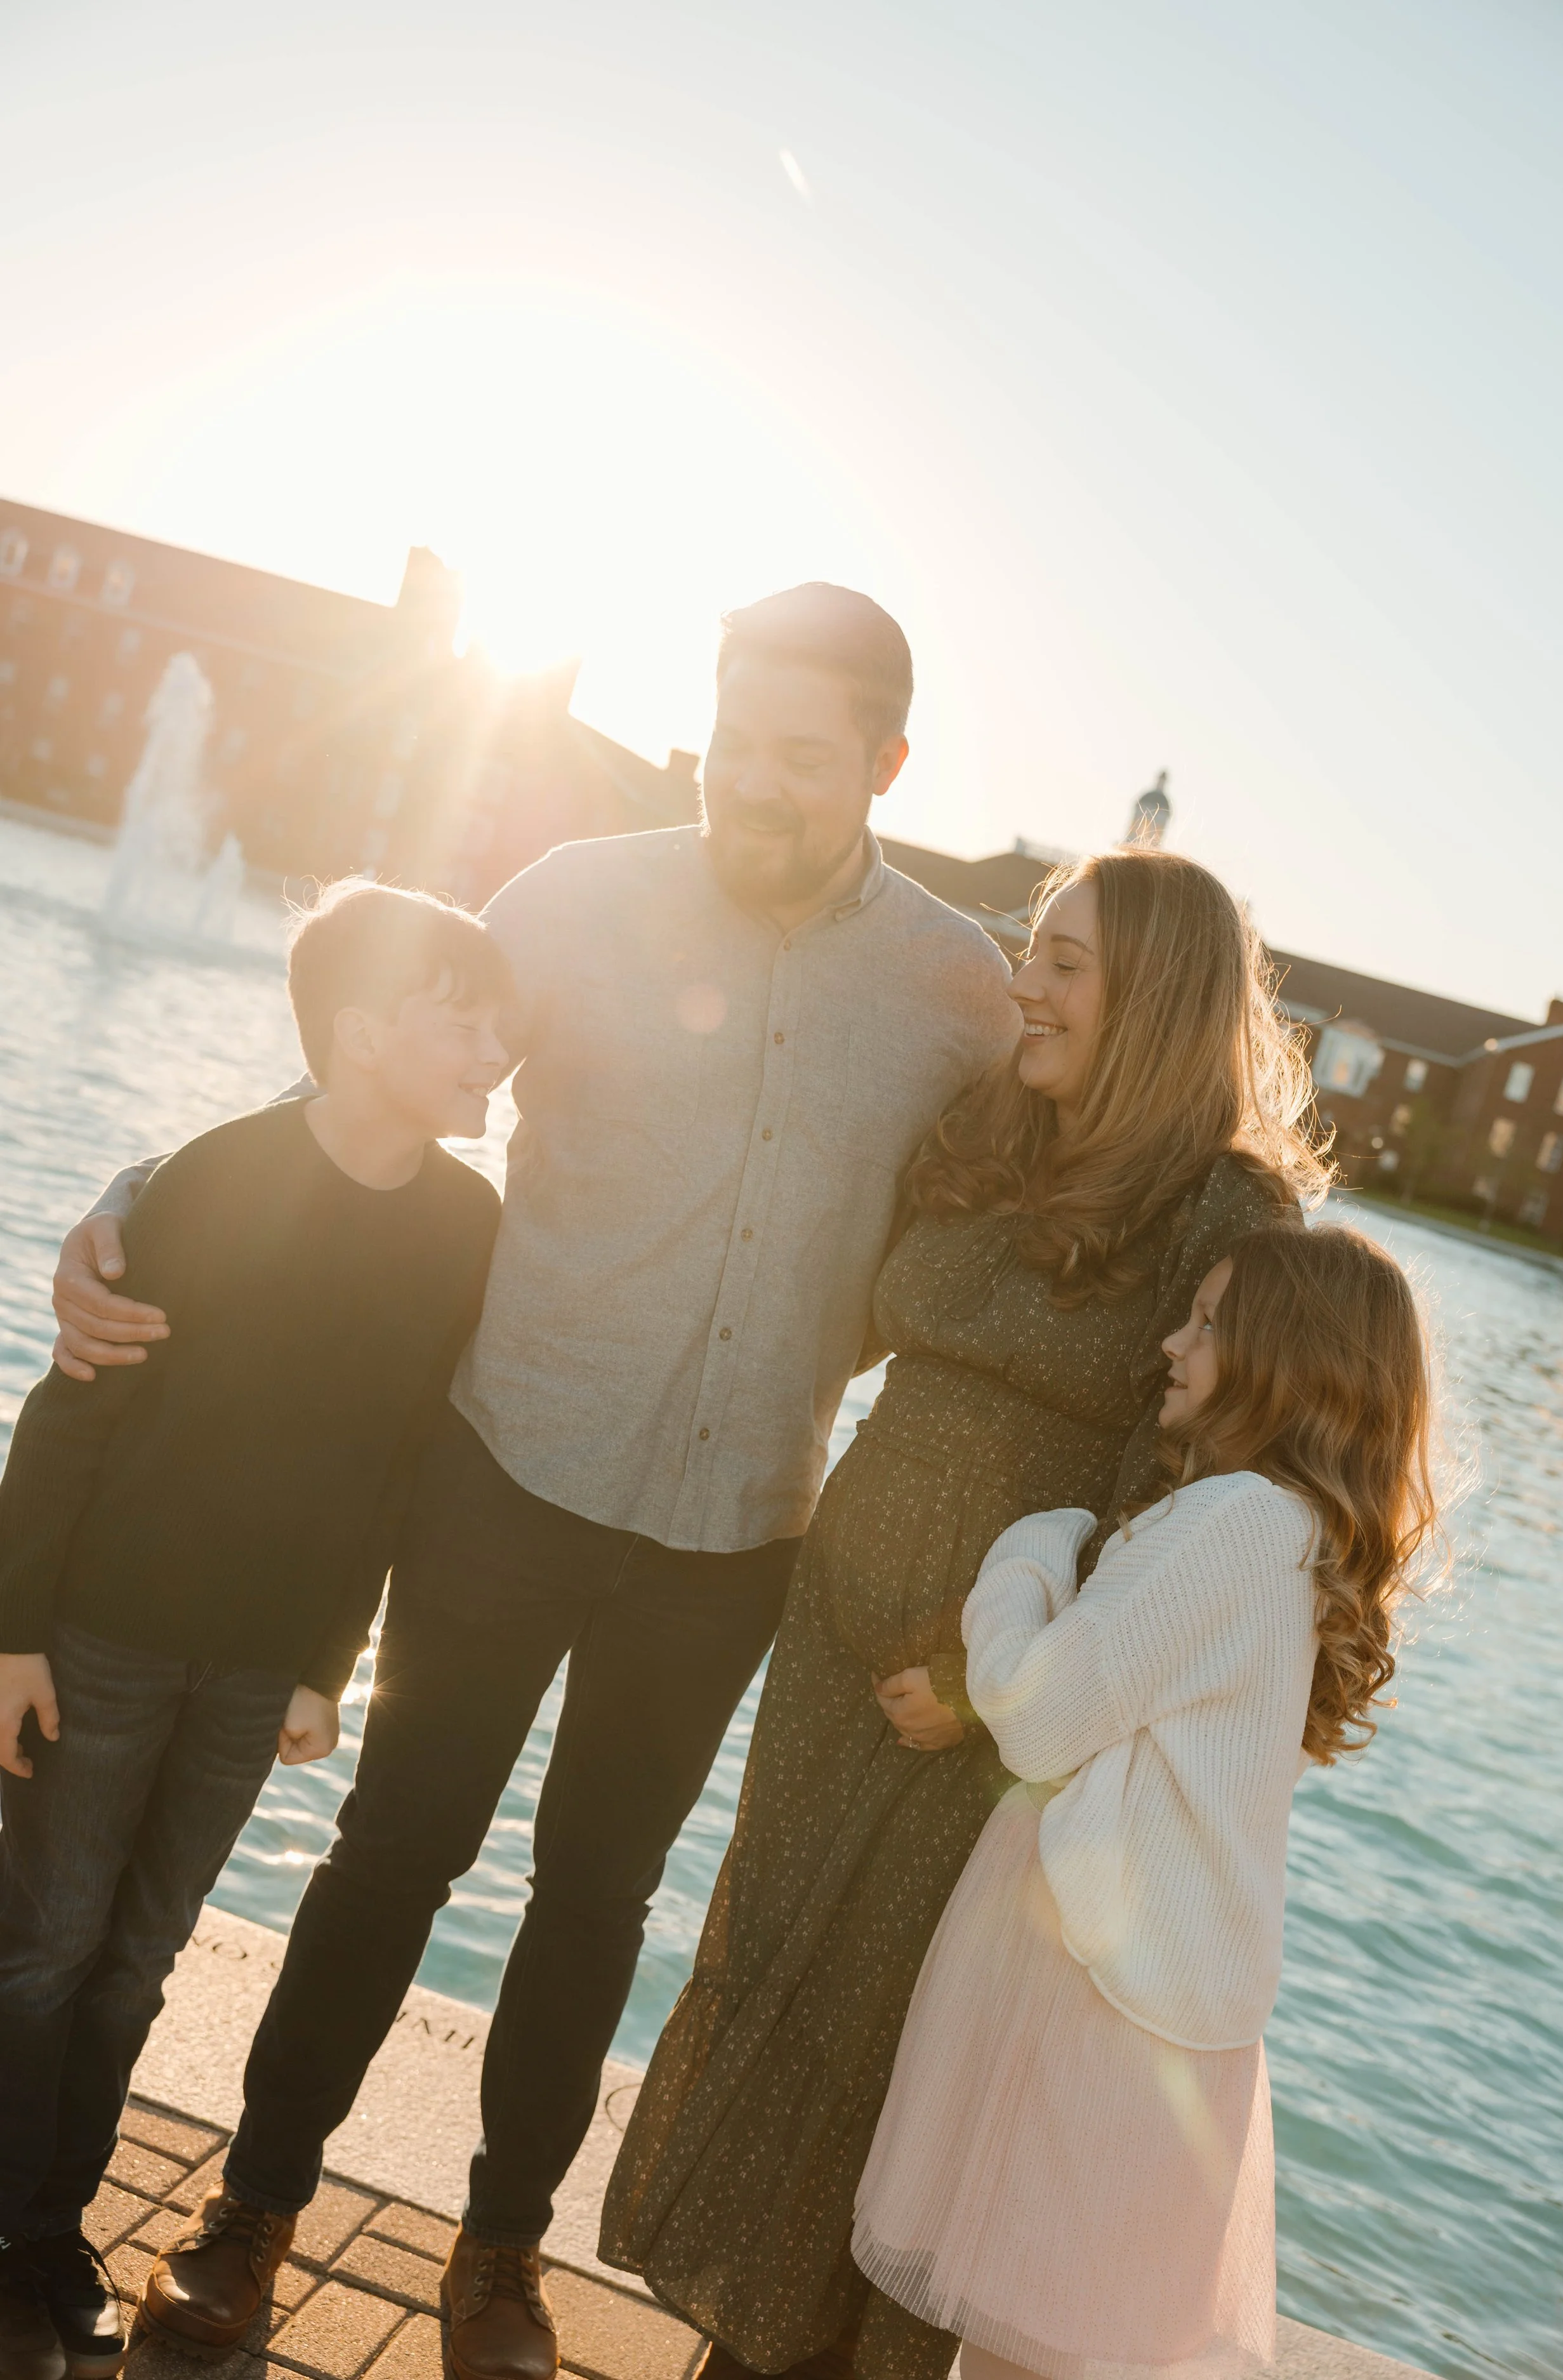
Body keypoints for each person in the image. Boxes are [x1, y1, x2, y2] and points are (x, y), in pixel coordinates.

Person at [47, 586, 1019, 2380]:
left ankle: (498, 2256)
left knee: (595, 1901)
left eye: (802, 759)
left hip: (735, 1529)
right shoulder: (565, 903)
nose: (754, 784)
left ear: (886, 763)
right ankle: (253, 2212)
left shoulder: (962, 985)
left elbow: (1067, 1174)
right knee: (393, 1852)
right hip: (501, 1471)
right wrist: (128, 1202)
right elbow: (359, 1093)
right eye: (733, 739)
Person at [600, 843, 1333, 2380]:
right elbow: (802, 1273)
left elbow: (1170, 1479)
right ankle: (732, 2344)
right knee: (774, 1971)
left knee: (892, 2038)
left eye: (1067, 963)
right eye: (1031, 948)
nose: (1026, 983)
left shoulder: (1223, 1208)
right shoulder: (990, 1126)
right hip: (826, 1645)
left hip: (987, 1694)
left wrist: (974, 1674)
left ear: (1157, 996)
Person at [0, 883, 507, 2380]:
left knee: (142, 1955)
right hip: (96, 1635)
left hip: (250, 1669)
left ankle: (48, 2225)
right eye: (459, 1015)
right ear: (355, 1037)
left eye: (501, 1019)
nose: (498, 1046)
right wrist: (12, 1631)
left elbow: (397, 1466)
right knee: (44, 1943)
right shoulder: (214, 1179)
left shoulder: (469, 1228)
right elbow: (70, 1408)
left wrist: (322, 1666)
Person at [852, 1224, 1441, 2380]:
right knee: (1039, 2340)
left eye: (1211, 1323)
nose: (1174, 1342)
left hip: (1102, 2002)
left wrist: (1032, 1549)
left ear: (1291, 1358)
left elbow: (1036, 1711)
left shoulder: (1237, 1526)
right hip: (1138, 1988)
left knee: (1038, 2343)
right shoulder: (1277, 1533)